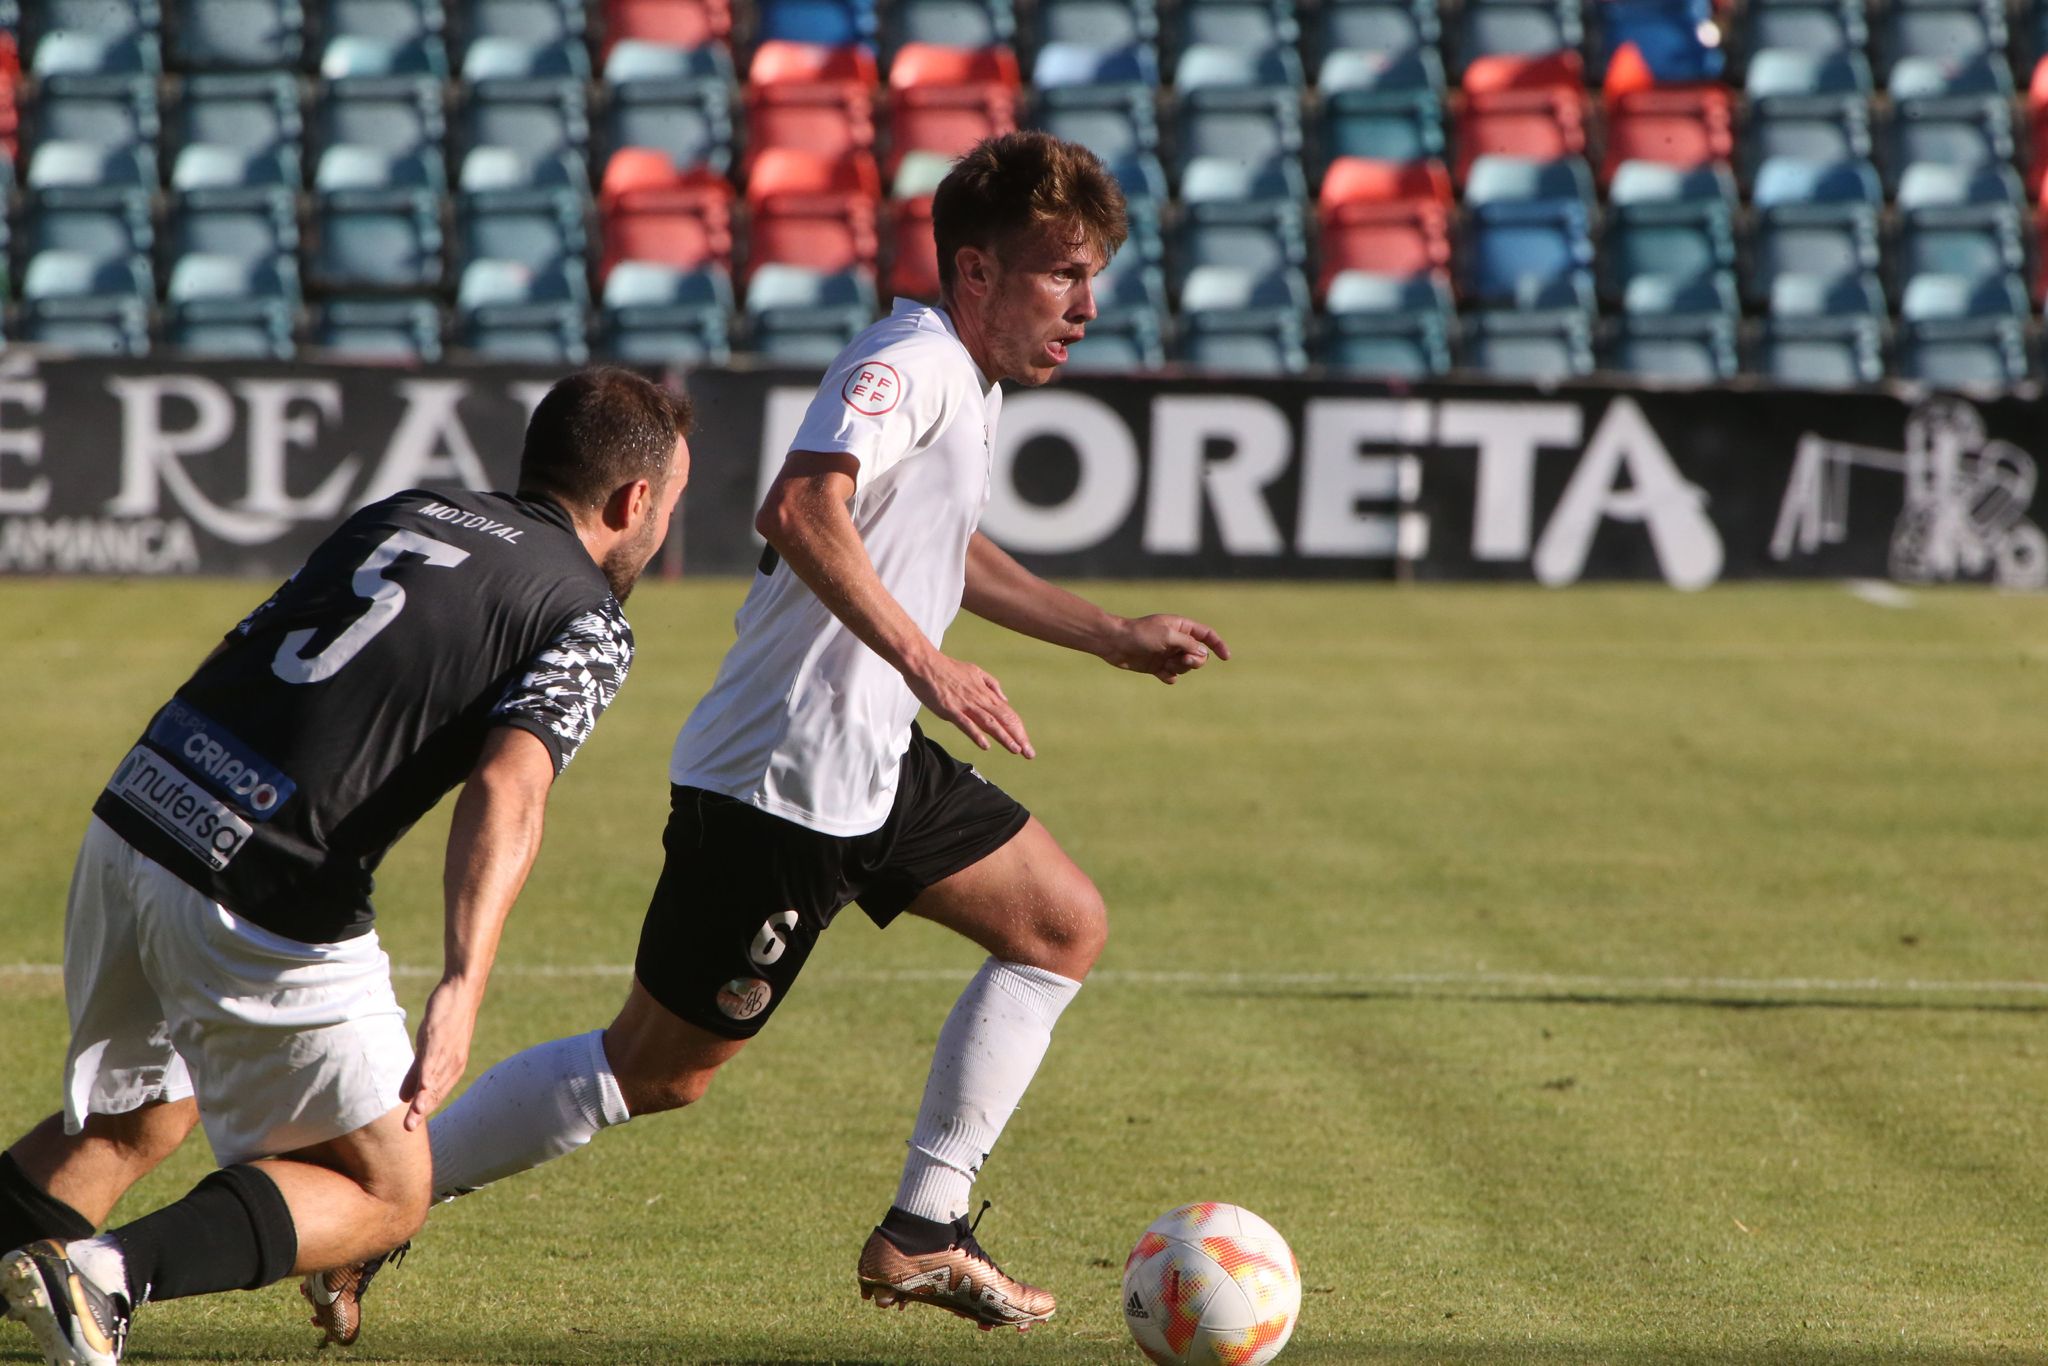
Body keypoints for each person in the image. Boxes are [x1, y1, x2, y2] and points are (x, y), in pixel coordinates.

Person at [307, 128, 1230, 1344]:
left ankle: (925, 1226)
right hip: (781, 777)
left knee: (1059, 925)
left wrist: (1106, 634)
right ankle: (380, 1204)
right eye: (1061, 274)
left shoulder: (969, 381)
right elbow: (801, 504)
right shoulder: (908, 358)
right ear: (972, 274)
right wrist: (925, 659)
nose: (1086, 305)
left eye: (1089, 275)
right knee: (655, 1069)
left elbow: (938, 546)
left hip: (870, 757)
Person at [0, 368, 693, 1366]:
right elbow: (507, 787)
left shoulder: (412, 506)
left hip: (142, 805)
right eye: (668, 502)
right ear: (634, 502)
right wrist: (461, 981)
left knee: (139, 1114)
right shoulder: (584, 613)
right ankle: (107, 1279)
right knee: (386, 1188)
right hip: (262, 881)